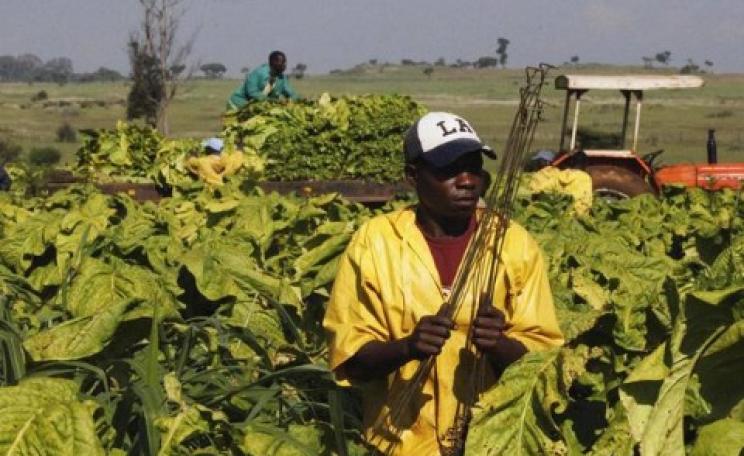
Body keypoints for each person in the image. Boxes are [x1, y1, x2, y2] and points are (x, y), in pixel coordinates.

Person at [323, 112, 564, 455]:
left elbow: (545, 359)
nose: (467, 180)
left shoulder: (512, 242)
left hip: (489, 441)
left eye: (473, 167)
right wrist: (407, 348)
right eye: (450, 169)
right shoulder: (375, 243)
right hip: (399, 445)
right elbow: (352, 361)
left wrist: (501, 345)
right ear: (412, 176)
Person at [227, 51, 300, 110]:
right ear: (273, 62)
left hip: (256, 106)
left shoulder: (281, 78)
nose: (285, 65)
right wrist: (274, 101)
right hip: (239, 104)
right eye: (282, 62)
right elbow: (252, 93)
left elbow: (291, 93)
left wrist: (295, 101)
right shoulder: (258, 73)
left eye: (285, 62)